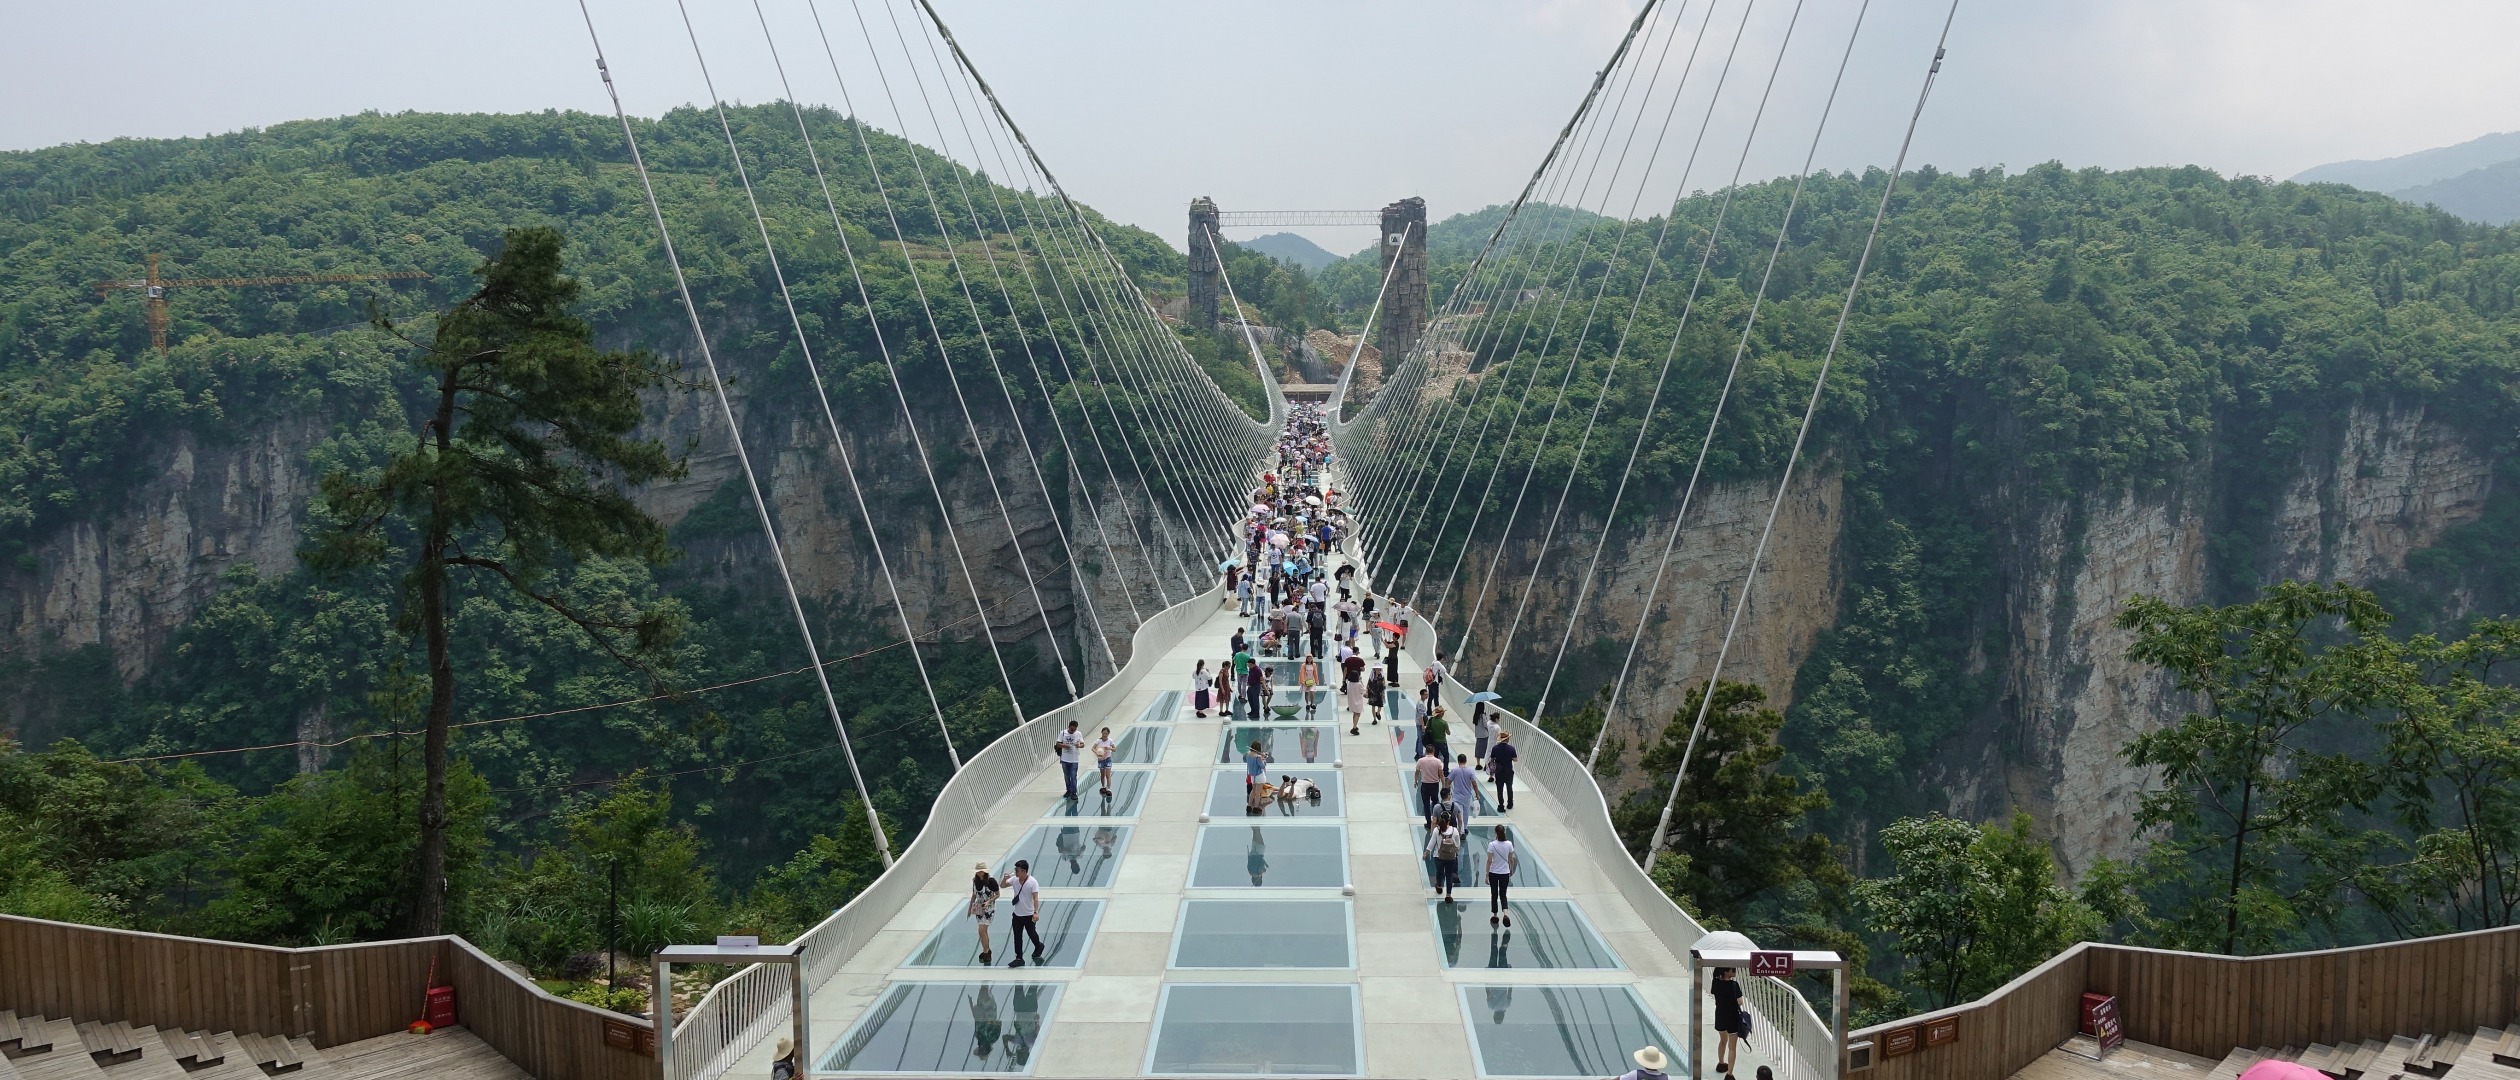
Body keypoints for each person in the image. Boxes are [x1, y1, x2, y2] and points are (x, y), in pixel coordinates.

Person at [1001, 860, 1044, 967]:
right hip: (1017, 914)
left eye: (1017, 870)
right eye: (1015, 869)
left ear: (1024, 871)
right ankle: (1019, 958)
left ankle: (1038, 946)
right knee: (1017, 936)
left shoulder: (1032, 882)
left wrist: (1035, 912)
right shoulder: (1014, 879)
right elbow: (1002, 886)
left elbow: (1035, 898)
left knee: (1031, 933)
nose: (1015, 872)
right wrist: (1004, 879)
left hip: (1029, 914)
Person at [1424, 802, 1463, 901]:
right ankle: (1448, 895)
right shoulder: (1454, 830)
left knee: (1439, 873)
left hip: (1439, 856)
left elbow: (1432, 843)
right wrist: (1456, 851)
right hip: (1451, 857)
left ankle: (1439, 886)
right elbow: (1458, 845)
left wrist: (1426, 852)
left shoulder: (1437, 830)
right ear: (1449, 820)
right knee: (1449, 875)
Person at [1711, 968, 1744, 1074]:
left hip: (1720, 1015)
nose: (1735, 971)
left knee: (1723, 1041)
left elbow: (1715, 994)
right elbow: (1740, 1002)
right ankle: (1729, 1074)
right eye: (1732, 970)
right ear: (1725, 971)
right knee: (1732, 1048)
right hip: (1732, 1017)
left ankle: (1721, 1063)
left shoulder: (1715, 982)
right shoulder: (1734, 985)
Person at [967, 862, 1001, 964]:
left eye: (981, 871)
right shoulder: (975, 881)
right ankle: (986, 950)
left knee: (981, 930)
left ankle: (986, 951)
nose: (979, 873)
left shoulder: (991, 881)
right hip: (979, 908)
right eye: (978, 871)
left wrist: (989, 901)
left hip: (989, 909)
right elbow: (974, 895)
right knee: (983, 931)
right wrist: (970, 908)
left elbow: (997, 894)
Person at [1485, 824, 1518, 927]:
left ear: (1496, 833)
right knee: (1503, 894)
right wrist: (1511, 869)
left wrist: (1486, 874)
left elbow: (1489, 861)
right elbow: (1511, 860)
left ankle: (1495, 915)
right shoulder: (1509, 844)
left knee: (1494, 894)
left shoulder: (1492, 845)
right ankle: (1505, 913)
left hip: (1493, 873)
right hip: (1505, 872)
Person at [1053, 722, 1084, 801]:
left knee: (1073, 776)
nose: (1073, 731)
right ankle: (1068, 790)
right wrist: (1065, 746)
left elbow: (1082, 744)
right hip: (1065, 759)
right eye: (1071, 729)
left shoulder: (1078, 734)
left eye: (1074, 729)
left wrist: (1079, 745)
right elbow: (1058, 744)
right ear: (1068, 727)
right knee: (1067, 776)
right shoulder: (1063, 733)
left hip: (1074, 759)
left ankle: (1074, 792)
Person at [1489, 731, 1519, 811]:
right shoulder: (1511, 748)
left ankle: (1501, 805)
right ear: (1507, 739)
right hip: (1508, 771)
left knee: (1499, 789)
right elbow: (1515, 759)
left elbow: (1492, 759)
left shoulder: (1495, 748)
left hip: (1499, 772)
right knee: (1509, 788)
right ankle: (1510, 804)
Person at [1415, 747, 1446, 823]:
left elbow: (1417, 772)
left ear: (1426, 751)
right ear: (1433, 751)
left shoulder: (1421, 761)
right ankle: (1436, 819)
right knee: (1435, 802)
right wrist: (1443, 785)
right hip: (1434, 785)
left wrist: (1415, 781)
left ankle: (1428, 822)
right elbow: (1441, 774)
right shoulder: (1438, 761)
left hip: (1425, 784)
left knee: (1426, 804)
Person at [1450, 752, 1479, 827]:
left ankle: (1460, 829)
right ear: (1466, 761)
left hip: (1457, 797)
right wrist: (1477, 794)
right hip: (1467, 797)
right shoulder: (1470, 771)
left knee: (1459, 814)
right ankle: (1465, 827)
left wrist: (1448, 792)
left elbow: (1448, 781)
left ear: (1458, 761)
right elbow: (1474, 784)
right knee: (1466, 814)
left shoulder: (1454, 770)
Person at [1092, 727, 1116, 798]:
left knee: (1108, 775)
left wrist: (1109, 748)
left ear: (1108, 734)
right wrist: (1097, 753)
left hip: (1108, 759)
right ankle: (1103, 786)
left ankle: (1108, 788)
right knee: (1102, 775)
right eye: (1103, 733)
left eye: (1106, 733)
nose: (1104, 735)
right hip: (1101, 760)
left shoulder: (1110, 741)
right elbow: (1093, 748)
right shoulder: (1098, 741)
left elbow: (1115, 749)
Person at [1471, 701, 1494, 771]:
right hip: (1484, 735)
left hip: (1478, 735)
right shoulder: (1482, 715)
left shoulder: (1476, 715)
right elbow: (1485, 724)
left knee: (1478, 749)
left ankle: (1478, 764)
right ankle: (1485, 765)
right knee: (1486, 749)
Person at [1298, 654, 1321, 720]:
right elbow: (1302, 673)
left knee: (1312, 692)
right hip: (1306, 680)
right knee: (1306, 692)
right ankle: (1307, 703)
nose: (1309, 660)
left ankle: (1312, 703)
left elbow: (1315, 673)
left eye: (1310, 658)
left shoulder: (1314, 665)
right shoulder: (1303, 665)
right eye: (1308, 658)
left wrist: (1316, 681)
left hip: (1311, 680)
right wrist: (1303, 681)